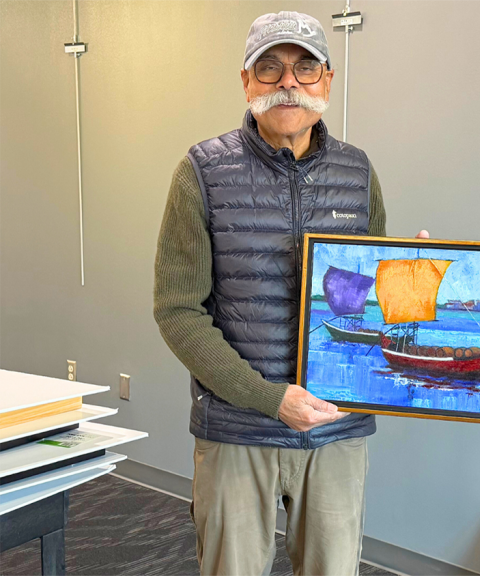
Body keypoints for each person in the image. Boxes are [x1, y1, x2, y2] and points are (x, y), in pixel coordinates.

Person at [153, 11, 425, 576]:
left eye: (305, 68)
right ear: (246, 81)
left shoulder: (357, 171)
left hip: (337, 427)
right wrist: (269, 398)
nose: (288, 83)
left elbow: (370, 297)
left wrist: (412, 278)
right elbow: (178, 311)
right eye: (270, 68)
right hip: (236, 429)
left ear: (326, 79)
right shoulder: (201, 172)